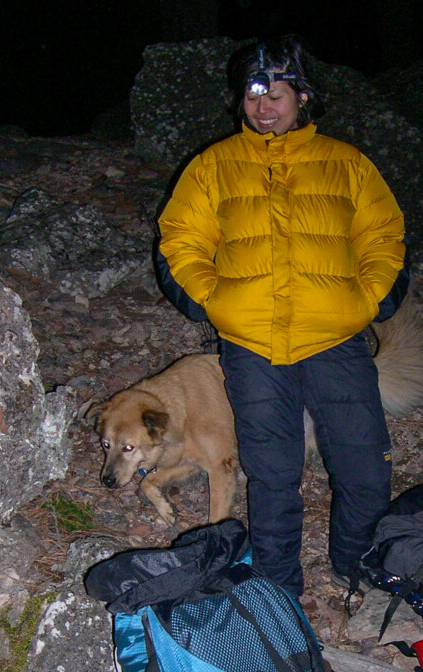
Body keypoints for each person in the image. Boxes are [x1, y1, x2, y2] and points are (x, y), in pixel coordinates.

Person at [155, 35, 409, 598]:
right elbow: (179, 241)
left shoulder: (347, 165)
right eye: (251, 95)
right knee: (272, 477)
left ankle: (355, 565)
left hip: (335, 340)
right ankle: (277, 590)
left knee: (365, 469)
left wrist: (367, 300)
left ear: (302, 96)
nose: (263, 106)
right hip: (253, 347)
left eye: (276, 92)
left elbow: (385, 236)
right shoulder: (212, 167)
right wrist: (214, 301)